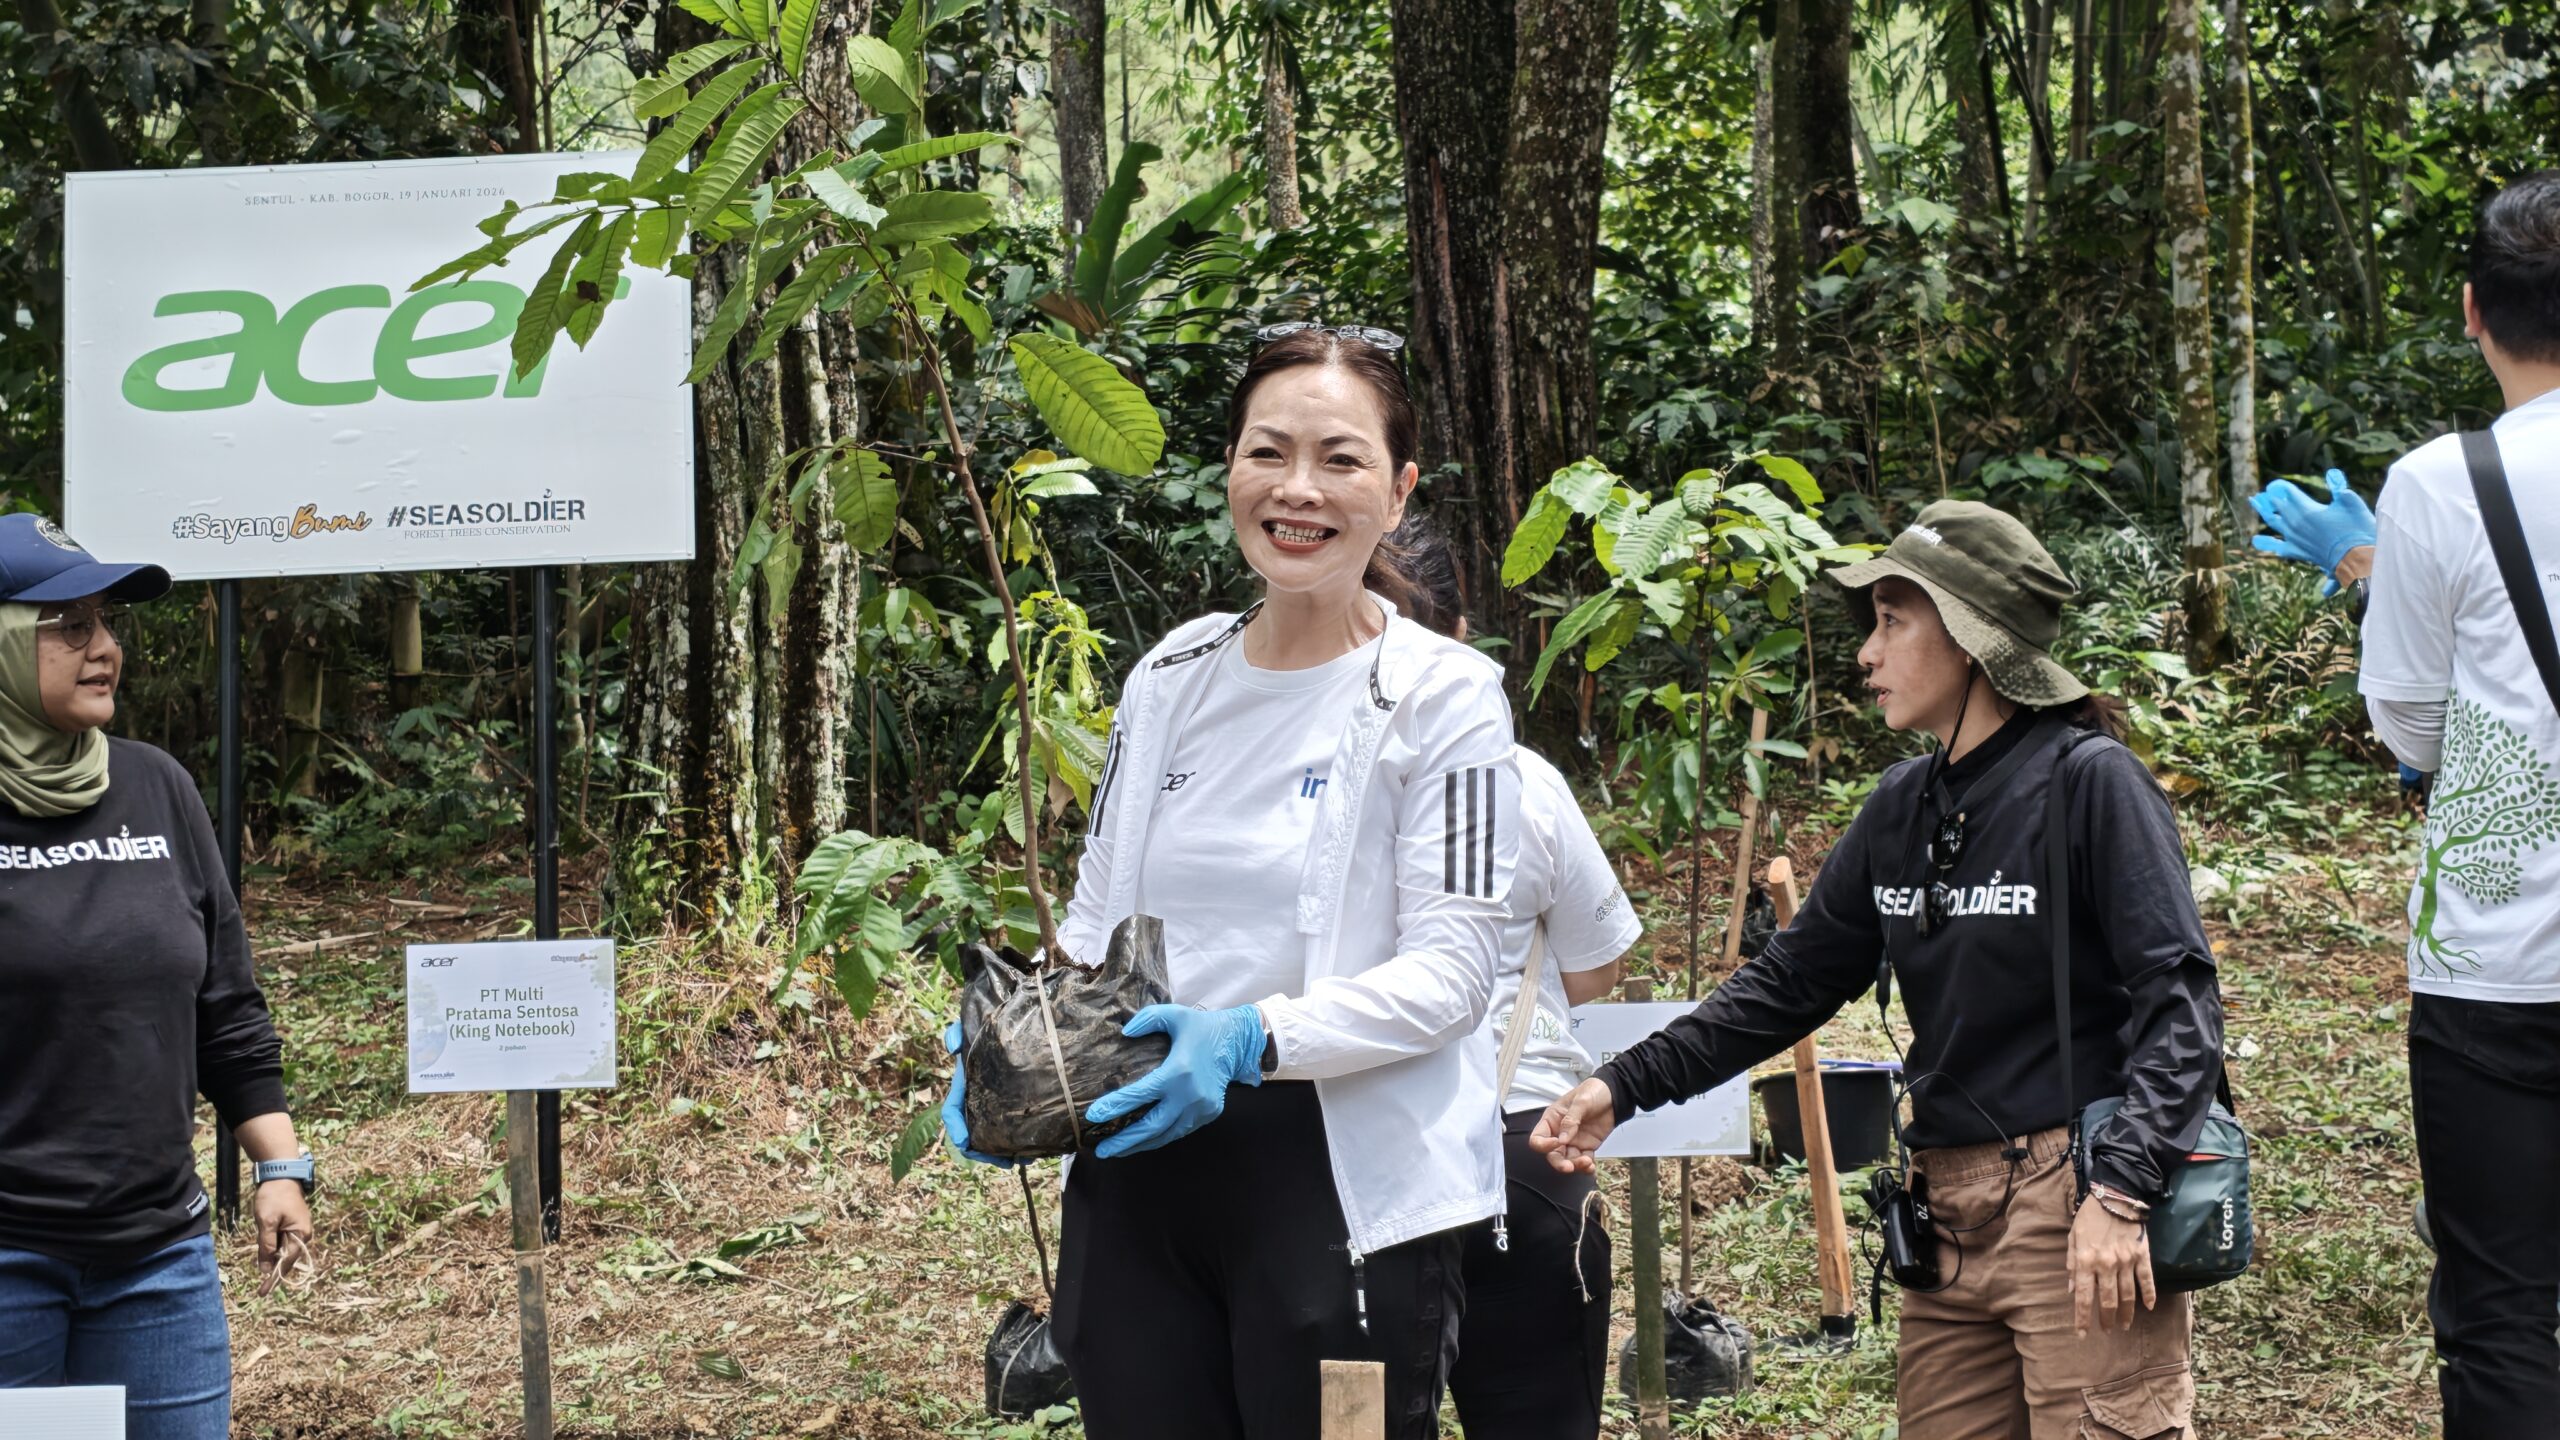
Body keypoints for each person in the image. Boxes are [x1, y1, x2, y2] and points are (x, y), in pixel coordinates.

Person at [1530, 500, 2226, 1440]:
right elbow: (1790, 983)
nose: (1867, 652)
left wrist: (2122, 1192)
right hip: (1945, 1217)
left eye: (1896, 621)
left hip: (2078, 1202)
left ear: (1973, 642)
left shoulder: (2089, 784)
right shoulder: (1904, 805)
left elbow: (2181, 1005)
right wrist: (1622, 1084)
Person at [943, 325, 1521, 1440]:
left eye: (1340, 460)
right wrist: (1004, 1047)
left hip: (1338, 1194)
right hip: (1138, 1168)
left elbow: (1454, 978)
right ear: (1230, 471)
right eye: (1269, 452)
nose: (1297, 490)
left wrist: (1249, 1038)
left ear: (1397, 493)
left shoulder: (1446, 698)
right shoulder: (1173, 672)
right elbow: (1093, 921)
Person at [2258, 170, 2560, 1439]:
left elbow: (2413, 719)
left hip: (2498, 957)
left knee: (2497, 1303)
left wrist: (2375, 571)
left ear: (2471, 312)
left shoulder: (2441, 482)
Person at [0, 514, 316, 1439]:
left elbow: (226, 1007)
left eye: (106, 624)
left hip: (157, 1261)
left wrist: (279, 1164)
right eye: (71, 626)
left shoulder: (157, 787)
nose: (105, 650)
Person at [1396, 523, 1639, 1440]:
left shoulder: (1296, 792)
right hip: (1523, 1145)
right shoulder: (1522, 781)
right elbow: (1594, 968)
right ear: (1462, 634)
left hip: (1350, 1162)